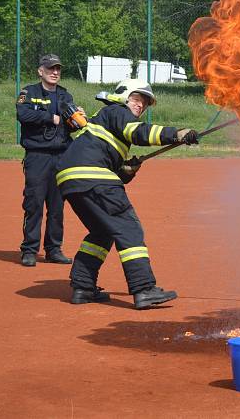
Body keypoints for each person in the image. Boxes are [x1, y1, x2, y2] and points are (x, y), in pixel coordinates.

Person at [55, 79, 199, 308]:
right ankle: (143, 289)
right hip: (92, 177)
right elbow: (139, 133)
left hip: (71, 180)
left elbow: (106, 164)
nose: (141, 105)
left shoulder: (105, 120)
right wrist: (177, 133)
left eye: (145, 103)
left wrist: (125, 170)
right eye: (137, 99)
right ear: (123, 96)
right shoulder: (117, 111)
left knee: (102, 232)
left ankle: (83, 287)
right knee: (128, 228)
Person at [16, 54, 84, 267]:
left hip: (62, 156)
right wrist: (50, 118)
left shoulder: (65, 95)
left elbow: (73, 125)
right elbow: (22, 114)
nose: (55, 72)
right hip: (38, 157)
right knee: (34, 203)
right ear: (40, 71)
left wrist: (78, 118)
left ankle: (54, 249)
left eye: (57, 69)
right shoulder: (29, 92)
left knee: (57, 206)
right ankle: (29, 250)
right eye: (50, 68)